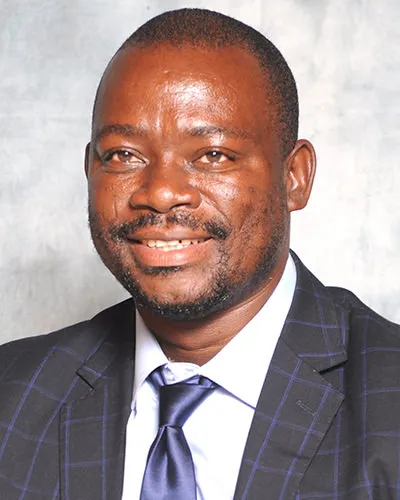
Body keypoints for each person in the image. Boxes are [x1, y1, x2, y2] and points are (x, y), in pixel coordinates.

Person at [0, 8, 399, 500]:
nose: (160, 192)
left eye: (212, 155)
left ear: (294, 176)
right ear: (90, 168)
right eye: (124, 155)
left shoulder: (388, 407)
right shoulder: (12, 396)